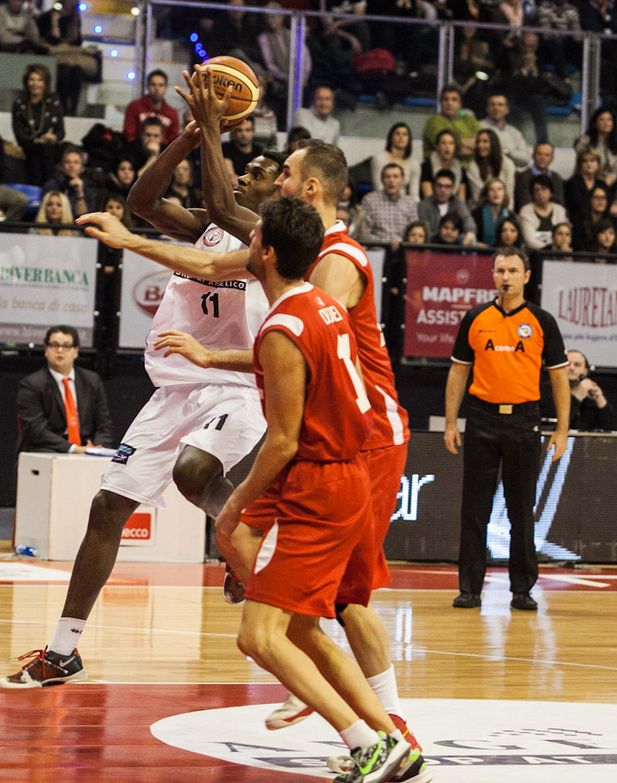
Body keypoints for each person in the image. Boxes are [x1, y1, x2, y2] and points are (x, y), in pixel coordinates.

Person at [171, 74, 422, 772]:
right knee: (293, 596)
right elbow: (216, 233)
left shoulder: (327, 277)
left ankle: (380, 727)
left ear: (307, 193)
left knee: (337, 602)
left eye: (281, 173)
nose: (273, 178)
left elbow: (296, 371)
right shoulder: (305, 276)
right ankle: (360, 711)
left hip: (358, 442)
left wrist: (210, 131)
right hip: (334, 443)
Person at [0, 119, 279, 691]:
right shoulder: (208, 227)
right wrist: (189, 136)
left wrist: (212, 137)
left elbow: (222, 201)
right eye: (244, 170)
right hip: (173, 389)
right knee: (106, 508)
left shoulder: (277, 238)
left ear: (283, 193)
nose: (245, 174)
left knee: (193, 471)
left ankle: (244, 547)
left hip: (236, 384)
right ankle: (63, 651)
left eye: (261, 173)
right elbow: (142, 200)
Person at [215, 196, 414, 783]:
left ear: (268, 253)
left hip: (319, 480)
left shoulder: (283, 326)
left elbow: (280, 441)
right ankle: (391, 739)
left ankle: (365, 744)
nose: (247, 246)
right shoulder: (325, 304)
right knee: (300, 626)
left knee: (257, 635)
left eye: (253, 241)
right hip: (343, 470)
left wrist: (235, 502)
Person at [444, 246, 570, 612]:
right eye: (500, 270)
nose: (506, 277)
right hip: (481, 418)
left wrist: (561, 430)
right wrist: (451, 422)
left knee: (520, 510)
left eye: (513, 270)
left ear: (527, 276)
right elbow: (458, 371)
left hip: (524, 421)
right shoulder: (475, 317)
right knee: (474, 510)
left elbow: (559, 378)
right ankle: (470, 588)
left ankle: (521, 589)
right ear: (493, 274)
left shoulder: (542, 322)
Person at [16, 325, 113, 454]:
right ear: (46, 350)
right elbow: (36, 430)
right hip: (46, 449)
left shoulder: (92, 381)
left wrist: (99, 448)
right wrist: (73, 449)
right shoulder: (31, 385)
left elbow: (104, 424)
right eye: (54, 345)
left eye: (66, 346)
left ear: (76, 351)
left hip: (86, 448)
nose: (60, 350)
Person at [36, 0, 100, 115]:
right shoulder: (46, 17)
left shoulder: (75, 19)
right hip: (55, 55)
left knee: (77, 71)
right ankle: (62, 105)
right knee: (64, 70)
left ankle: (73, 108)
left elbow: (77, 41)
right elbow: (51, 41)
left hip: (72, 56)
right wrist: (55, 22)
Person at [12, 63, 65, 186]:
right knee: (36, 155)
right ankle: (45, 190)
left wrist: (54, 137)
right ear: (26, 82)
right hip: (30, 145)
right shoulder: (19, 103)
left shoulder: (54, 102)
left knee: (46, 150)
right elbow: (19, 134)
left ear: (46, 83)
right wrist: (37, 140)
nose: (35, 84)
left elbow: (61, 132)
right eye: (32, 79)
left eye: (40, 80)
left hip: (51, 147)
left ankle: (47, 190)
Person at [357, 162, 418, 250]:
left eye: (395, 176)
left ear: (402, 179)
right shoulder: (370, 200)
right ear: (382, 180)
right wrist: (387, 243)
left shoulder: (410, 202)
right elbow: (364, 232)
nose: (391, 180)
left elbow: (414, 231)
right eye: (387, 177)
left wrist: (400, 243)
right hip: (377, 250)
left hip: (404, 250)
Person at [422, 85, 480, 165]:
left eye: (454, 100)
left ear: (460, 104)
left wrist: (459, 142)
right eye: (445, 99)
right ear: (441, 103)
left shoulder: (468, 119)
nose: (449, 103)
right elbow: (447, 150)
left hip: (471, 168)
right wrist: (474, 146)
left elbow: (482, 143)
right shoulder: (434, 121)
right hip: (441, 169)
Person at [418, 168, 477, 245]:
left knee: (471, 238)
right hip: (432, 245)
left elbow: (468, 221)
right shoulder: (424, 205)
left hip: (455, 244)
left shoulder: (457, 203)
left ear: (453, 189)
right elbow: (426, 232)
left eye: (447, 186)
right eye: (439, 185)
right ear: (433, 186)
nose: (443, 190)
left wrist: (470, 233)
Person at [122, 68, 180, 146]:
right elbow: (129, 135)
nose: (157, 88)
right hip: (136, 152)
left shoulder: (172, 113)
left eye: (161, 85)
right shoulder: (134, 107)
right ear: (147, 87)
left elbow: (174, 141)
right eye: (153, 84)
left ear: (165, 88)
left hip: (163, 154)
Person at [566, 349, 617, 431]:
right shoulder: (547, 391)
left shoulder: (591, 394)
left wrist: (600, 399)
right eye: (567, 364)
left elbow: (613, 430)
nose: (572, 368)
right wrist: (578, 395)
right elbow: (556, 422)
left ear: (585, 371)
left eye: (577, 365)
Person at [466, 128, 516, 209]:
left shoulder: (508, 164)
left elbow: (509, 195)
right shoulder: (473, 165)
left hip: (504, 208)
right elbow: (478, 196)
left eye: (485, 141)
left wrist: (507, 216)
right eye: (478, 142)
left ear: (493, 143)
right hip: (480, 209)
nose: (480, 145)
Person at [370, 122, 421, 200]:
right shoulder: (379, 158)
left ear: (409, 139)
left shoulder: (414, 163)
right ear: (391, 138)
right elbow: (378, 188)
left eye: (405, 134)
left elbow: (414, 194)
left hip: (405, 204)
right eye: (397, 133)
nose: (401, 137)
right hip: (382, 202)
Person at [574, 107, 617, 189]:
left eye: (609, 120)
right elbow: (582, 166)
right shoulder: (585, 141)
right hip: (587, 182)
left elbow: (615, 171)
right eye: (602, 120)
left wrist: (606, 184)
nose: (606, 123)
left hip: (609, 184)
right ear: (595, 124)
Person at [479, 92, 531, 169]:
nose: (496, 108)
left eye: (500, 105)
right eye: (492, 104)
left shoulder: (514, 132)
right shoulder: (478, 127)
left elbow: (526, 159)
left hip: (510, 175)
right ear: (487, 108)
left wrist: (507, 152)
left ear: (507, 109)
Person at [43, 146, 98, 217]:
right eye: (67, 162)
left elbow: (83, 217)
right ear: (61, 166)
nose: (71, 165)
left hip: (76, 226)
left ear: (82, 168)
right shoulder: (51, 185)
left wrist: (79, 192)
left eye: (76, 162)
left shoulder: (88, 188)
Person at [519, 174, 569, 250]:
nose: (540, 193)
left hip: (558, 252)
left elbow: (563, 235)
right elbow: (530, 240)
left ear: (551, 192)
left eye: (543, 189)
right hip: (534, 253)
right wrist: (550, 248)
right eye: (536, 190)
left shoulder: (560, 210)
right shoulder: (525, 211)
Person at [514, 142, 565, 212]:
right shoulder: (523, 177)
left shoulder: (556, 178)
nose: (543, 158)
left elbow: (560, 204)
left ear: (552, 159)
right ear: (533, 156)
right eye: (539, 154)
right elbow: (524, 204)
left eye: (547, 155)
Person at [420, 129, 465, 201]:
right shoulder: (426, 167)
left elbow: (462, 201)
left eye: (451, 143)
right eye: (443, 143)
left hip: (454, 208)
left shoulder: (461, 169)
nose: (447, 147)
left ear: (455, 147)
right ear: (437, 146)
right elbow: (428, 199)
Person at [564, 149, 608, 218]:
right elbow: (576, 205)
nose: (589, 164)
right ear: (580, 165)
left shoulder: (602, 184)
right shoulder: (572, 183)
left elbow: (607, 205)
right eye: (585, 161)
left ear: (598, 164)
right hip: (577, 220)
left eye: (592, 161)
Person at [221, 116, 263, 184]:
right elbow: (230, 176)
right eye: (240, 130)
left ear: (253, 132)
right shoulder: (226, 147)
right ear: (234, 133)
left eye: (247, 130)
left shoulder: (259, 150)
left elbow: (261, 176)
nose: (243, 134)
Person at [472, 177, 512, 247]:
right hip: (480, 253)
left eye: (499, 189)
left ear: (504, 193)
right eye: (491, 189)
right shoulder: (476, 214)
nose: (496, 192)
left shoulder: (511, 216)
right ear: (486, 194)